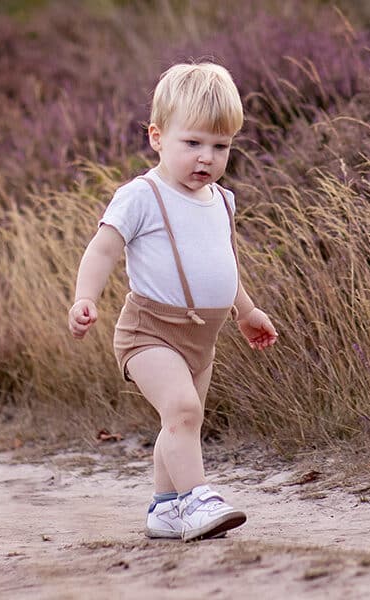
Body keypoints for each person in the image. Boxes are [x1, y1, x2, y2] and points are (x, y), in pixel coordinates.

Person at [67, 62, 278, 542]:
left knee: (182, 421)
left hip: (203, 335)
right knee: (183, 410)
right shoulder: (141, 196)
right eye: (192, 143)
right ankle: (198, 498)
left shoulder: (221, 200)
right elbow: (103, 248)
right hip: (149, 331)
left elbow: (222, 264)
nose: (206, 158)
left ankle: (164, 508)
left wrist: (245, 311)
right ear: (157, 137)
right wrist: (85, 298)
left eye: (219, 146)